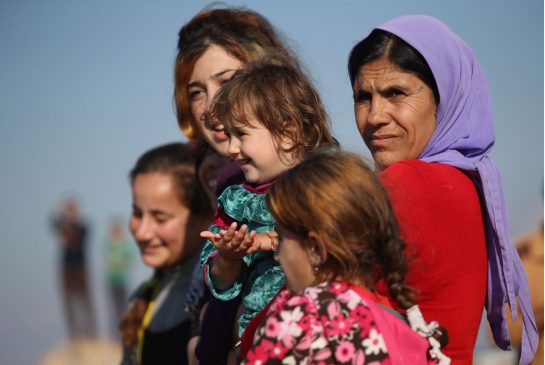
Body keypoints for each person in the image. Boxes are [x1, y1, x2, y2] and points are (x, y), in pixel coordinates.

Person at [347, 15, 538, 364]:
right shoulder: (463, 182)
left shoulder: (411, 182)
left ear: (443, 99)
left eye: (396, 93)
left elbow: (324, 296)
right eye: (363, 97)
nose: (375, 116)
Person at [174, 6, 303, 364]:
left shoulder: (320, 177)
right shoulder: (226, 187)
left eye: (227, 81)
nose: (212, 105)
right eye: (197, 91)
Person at [242, 150, 449, 364]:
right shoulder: (403, 328)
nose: (278, 256)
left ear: (315, 248)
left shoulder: (307, 312)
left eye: (282, 239)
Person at [199, 61, 336, 347]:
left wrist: (268, 241)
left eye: (242, 134)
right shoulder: (237, 200)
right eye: (229, 135)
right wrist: (228, 257)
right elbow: (221, 284)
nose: (232, 148)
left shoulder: (326, 187)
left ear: (288, 133)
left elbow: (334, 243)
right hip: (254, 334)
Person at [119, 142, 213, 365]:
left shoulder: (220, 299)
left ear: (204, 215)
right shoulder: (142, 302)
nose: (142, 233)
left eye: (160, 218)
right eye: (137, 213)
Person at [51, 197, 96, 340]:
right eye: (69, 210)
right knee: (69, 302)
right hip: (66, 268)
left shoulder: (83, 227)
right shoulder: (63, 227)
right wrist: (60, 212)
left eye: (73, 210)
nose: (71, 213)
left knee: (85, 300)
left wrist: (70, 225)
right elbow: (52, 224)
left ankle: (90, 331)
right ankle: (74, 334)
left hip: (81, 267)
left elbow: (78, 239)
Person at [104, 217, 133, 339]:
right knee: (113, 308)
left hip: (122, 280)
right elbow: (107, 260)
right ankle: (115, 334)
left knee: (123, 307)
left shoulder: (124, 245)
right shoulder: (108, 244)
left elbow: (129, 260)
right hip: (111, 280)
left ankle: (124, 332)